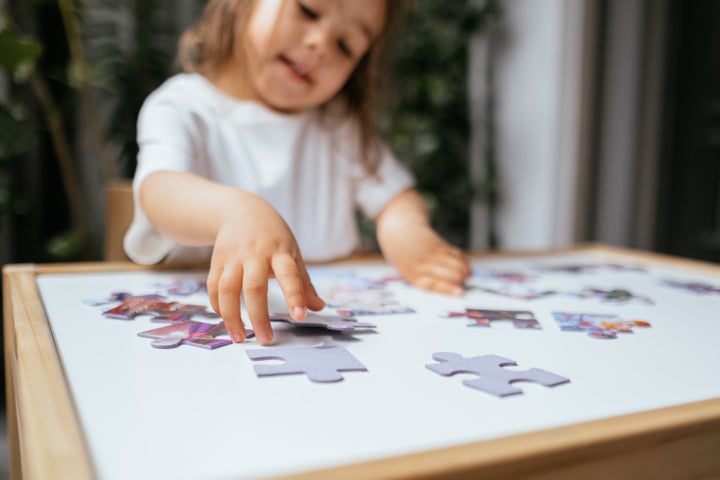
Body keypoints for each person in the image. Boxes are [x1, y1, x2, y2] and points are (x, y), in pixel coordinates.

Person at [124, 0, 471, 345]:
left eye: (345, 45)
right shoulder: (181, 106)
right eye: (308, 10)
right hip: (215, 338)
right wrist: (235, 212)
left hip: (329, 340)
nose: (321, 45)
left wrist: (403, 228)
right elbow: (159, 192)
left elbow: (396, 196)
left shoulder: (338, 126)